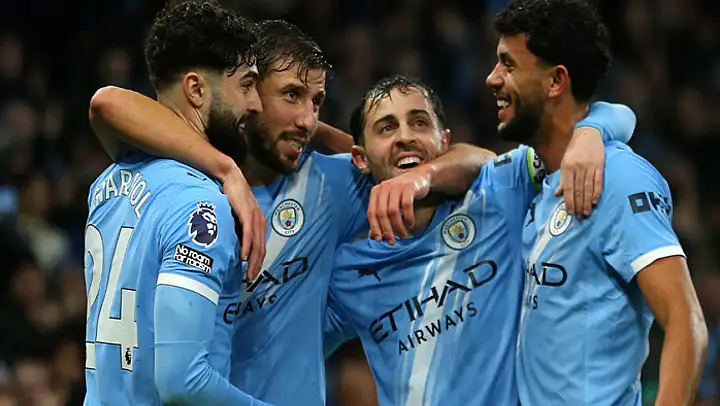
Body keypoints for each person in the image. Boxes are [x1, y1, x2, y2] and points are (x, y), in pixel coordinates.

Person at [324, 74, 636, 405]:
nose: (405, 137)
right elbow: (292, 350)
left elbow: (621, 116)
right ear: (360, 158)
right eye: (386, 128)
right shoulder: (349, 272)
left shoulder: (498, 194)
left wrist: (589, 132)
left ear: (444, 140)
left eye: (419, 123)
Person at [485, 0, 709, 405]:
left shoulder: (619, 178)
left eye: (508, 65)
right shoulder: (537, 176)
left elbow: (686, 321)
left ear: (556, 81)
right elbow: (473, 164)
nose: (492, 78)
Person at [84, 2, 270, 405]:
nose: (256, 104)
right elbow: (183, 381)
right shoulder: (201, 204)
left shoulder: (108, 183)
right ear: (196, 90)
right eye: (246, 85)